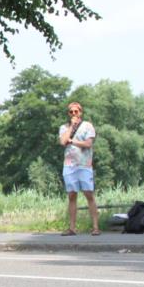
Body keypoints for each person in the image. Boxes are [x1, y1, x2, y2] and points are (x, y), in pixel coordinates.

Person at [59, 101, 100, 236]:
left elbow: (88, 143)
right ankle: (72, 228)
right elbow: (63, 142)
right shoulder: (64, 127)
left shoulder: (87, 126)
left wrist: (73, 142)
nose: (74, 114)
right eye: (71, 112)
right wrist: (71, 127)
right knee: (72, 195)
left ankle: (95, 227)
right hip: (69, 166)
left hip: (84, 164)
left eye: (76, 111)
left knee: (89, 194)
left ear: (80, 112)